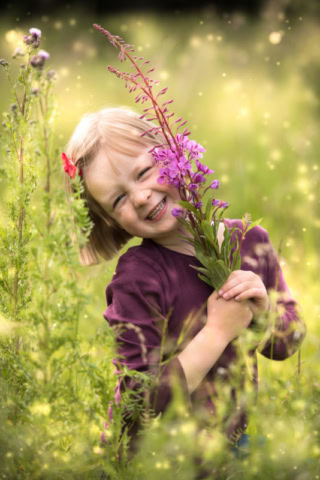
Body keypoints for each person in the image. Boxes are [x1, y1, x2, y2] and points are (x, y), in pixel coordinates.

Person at [64, 106, 306, 464]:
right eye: (118, 200)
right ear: (112, 222)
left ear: (174, 152)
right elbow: (139, 402)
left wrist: (262, 312)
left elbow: (289, 340)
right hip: (151, 461)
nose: (141, 197)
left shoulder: (251, 241)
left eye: (144, 172)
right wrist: (217, 333)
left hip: (226, 448)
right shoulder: (138, 277)